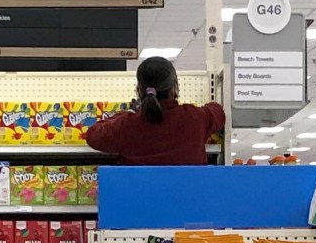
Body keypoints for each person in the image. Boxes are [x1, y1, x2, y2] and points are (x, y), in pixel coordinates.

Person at [82, 55, 224, 165]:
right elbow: (218, 111)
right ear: (175, 88)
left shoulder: (127, 125)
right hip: (189, 199)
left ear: (139, 90)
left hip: (140, 200)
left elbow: (93, 136)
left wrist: (129, 113)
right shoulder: (194, 118)